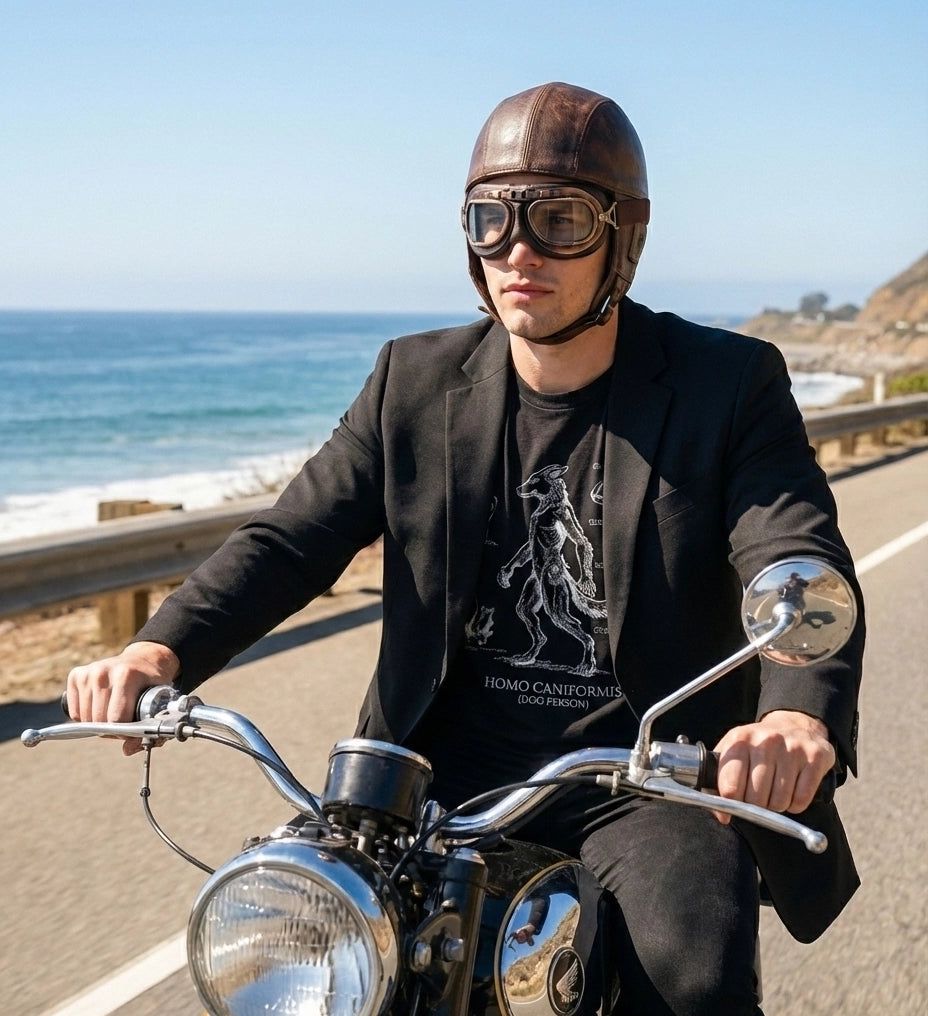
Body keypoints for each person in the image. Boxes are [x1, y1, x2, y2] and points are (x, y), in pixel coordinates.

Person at [68, 82, 864, 1015]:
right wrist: (159, 649)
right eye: (491, 219)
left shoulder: (727, 385)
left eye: (559, 219)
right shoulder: (413, 379)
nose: (518, 249)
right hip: (431, 779)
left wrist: (794, 715)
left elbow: (792, 544)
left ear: (623, 239)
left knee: (692, 978)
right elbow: (292, 537)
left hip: (647, 780)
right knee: (312, 966)